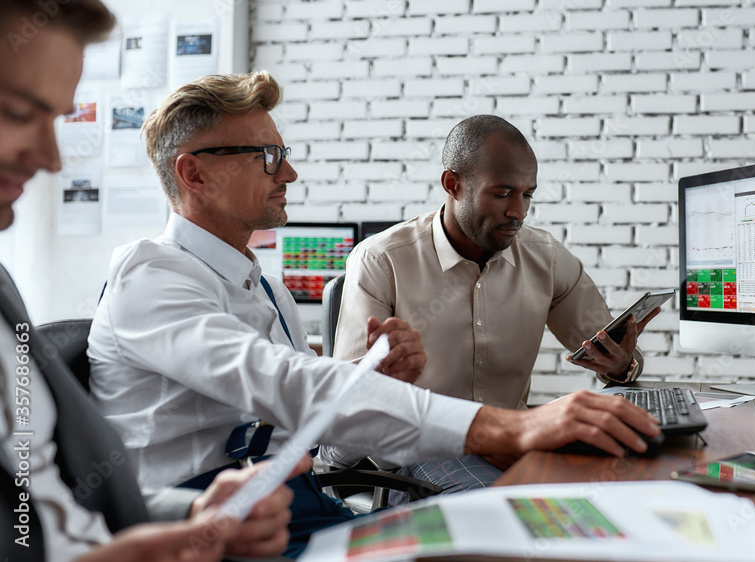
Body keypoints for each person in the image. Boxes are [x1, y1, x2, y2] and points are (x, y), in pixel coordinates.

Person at [86, 72, 663, 556]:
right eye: (268, 157)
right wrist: (514, 424)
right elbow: (285, 382)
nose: (288, 174)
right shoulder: (150, 274)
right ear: (195, 174)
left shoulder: (258, 283)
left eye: (283, 156)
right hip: (208, 523)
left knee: (520, 533)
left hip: (294, 502)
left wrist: (369, 381)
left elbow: (314, 418)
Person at [0, 1, 302, 560]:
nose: (51, 159)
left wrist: (191, 518)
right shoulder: (150, 275)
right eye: (18, 112)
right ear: (194, 174)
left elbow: (43, 515)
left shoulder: (2, 292)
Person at [328, 115, 660, 495]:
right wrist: (487, 435)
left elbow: (611, 353)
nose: (518, 211)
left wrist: (621, 365)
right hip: (422, 444)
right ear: (453, 184)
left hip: (514, 436)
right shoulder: (382, 260)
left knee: (631, 485)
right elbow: (343, 417)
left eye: (528, 194)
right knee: (508, 514)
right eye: (502, 194)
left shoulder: (546, 256)